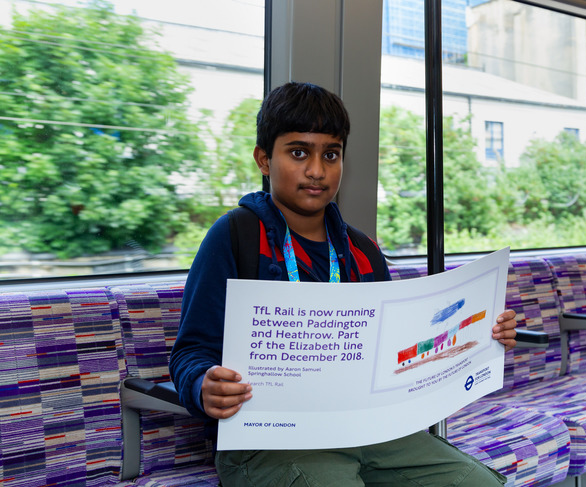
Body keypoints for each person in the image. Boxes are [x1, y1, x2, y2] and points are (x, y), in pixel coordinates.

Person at [170, 81, 518, 486]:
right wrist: (202, 384)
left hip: (368, 429)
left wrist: (480, 335)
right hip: (269, 437)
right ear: (264, 159)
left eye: (331, 155)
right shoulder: (236, 236)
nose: (317, 171)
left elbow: (395, 353)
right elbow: (190, 351)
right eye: (298, 153)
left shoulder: (362, 250)